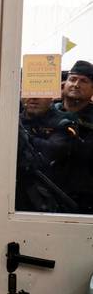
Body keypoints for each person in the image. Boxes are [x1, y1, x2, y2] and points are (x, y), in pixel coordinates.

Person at [52, 60, 93, 213]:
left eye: (84, 81)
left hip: (82, 204)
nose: (76, 84)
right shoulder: (46, 114)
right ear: (64, 84)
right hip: (44, 200)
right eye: (72, 79)